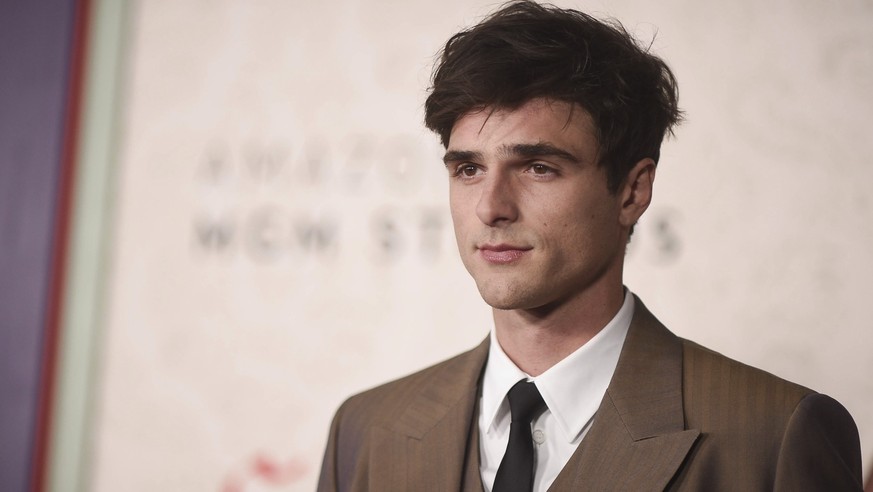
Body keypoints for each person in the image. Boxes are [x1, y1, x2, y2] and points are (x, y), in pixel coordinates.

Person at [317, 1, 863, 490]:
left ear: (632, 190)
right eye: (467, 168)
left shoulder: (774, 436)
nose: (490, 207)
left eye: (538, 167)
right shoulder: (366, 430)